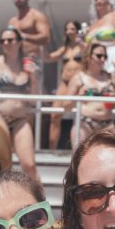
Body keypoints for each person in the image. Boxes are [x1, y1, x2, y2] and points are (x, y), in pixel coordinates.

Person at [0, 27, 40, 182]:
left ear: (19, 43)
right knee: (4, 162)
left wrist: (33, 77)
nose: (6, 43)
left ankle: (42, 204)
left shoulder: (28, 64)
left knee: (29, 165)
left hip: (20, 118)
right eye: (2, 40)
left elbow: (34, 99)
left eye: (10, 40)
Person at [64, 42, 115, 146]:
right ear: (88, 56)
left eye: (105, 56)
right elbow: (66, 106)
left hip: (107, 124)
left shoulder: (112, 78)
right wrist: (78, 97)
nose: (102, 59)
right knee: (80, 159)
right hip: (85, 123)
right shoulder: (78, 78)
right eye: (99, 56)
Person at [46, 20, 85, 149]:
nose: (69, 32)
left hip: (78, 84)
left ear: (78, 30)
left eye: (72, 29)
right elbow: (50, 57)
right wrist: (40, 46)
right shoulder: (65, 48)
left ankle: (78, 150)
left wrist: (84, 44)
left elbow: (89, 58)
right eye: (67, 29)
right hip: (64, 82)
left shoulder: (84, 46)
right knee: (54, 115)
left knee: (80, 117)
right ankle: (52, 150)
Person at [7, 0, 51, 71]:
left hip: (32, 59)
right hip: (15, 61)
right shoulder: (12, 21)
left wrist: (23, 36)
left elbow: (46, 38)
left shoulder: (37, 16)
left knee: (32, 84)